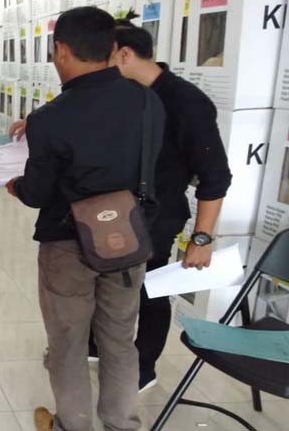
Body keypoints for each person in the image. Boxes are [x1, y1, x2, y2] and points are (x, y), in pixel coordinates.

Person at [5, 7, 165, 431]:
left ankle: (73, 426)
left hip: (68, 244)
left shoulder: (50, 118)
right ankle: (122, 424)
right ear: (112, 48)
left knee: (68, 342)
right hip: (128, 238)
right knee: (120, 340)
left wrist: (16, 185)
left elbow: (38, 193)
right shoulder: (147, 100)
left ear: (61, 50)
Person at [84, 21, 232, 391]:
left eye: (103, 59)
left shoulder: (187, 102)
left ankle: (143, 366)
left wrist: (202, 238)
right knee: (106, 282)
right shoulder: (123, 95)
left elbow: (215, 176)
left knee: (150, 289)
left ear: (124, 54)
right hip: (114, 211)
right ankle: (97, 345)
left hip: (157, 215)